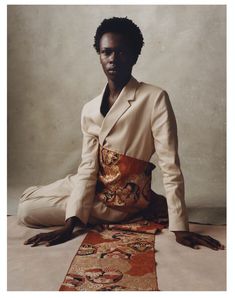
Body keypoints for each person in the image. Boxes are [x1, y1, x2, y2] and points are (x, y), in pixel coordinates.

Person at [17, 17, 224, 250]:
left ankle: (146, 205)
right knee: (27, 195)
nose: (113, 59)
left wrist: (180, 226)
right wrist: (71, 223)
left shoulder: (154, 98)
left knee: (26, 212)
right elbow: (87, 168)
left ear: (135, 56)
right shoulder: (90, 108)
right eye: (107, 52)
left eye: (122, 52)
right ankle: (148, 203)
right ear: (99, 55)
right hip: (92, 182)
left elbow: (170, 164)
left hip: (123, 199)